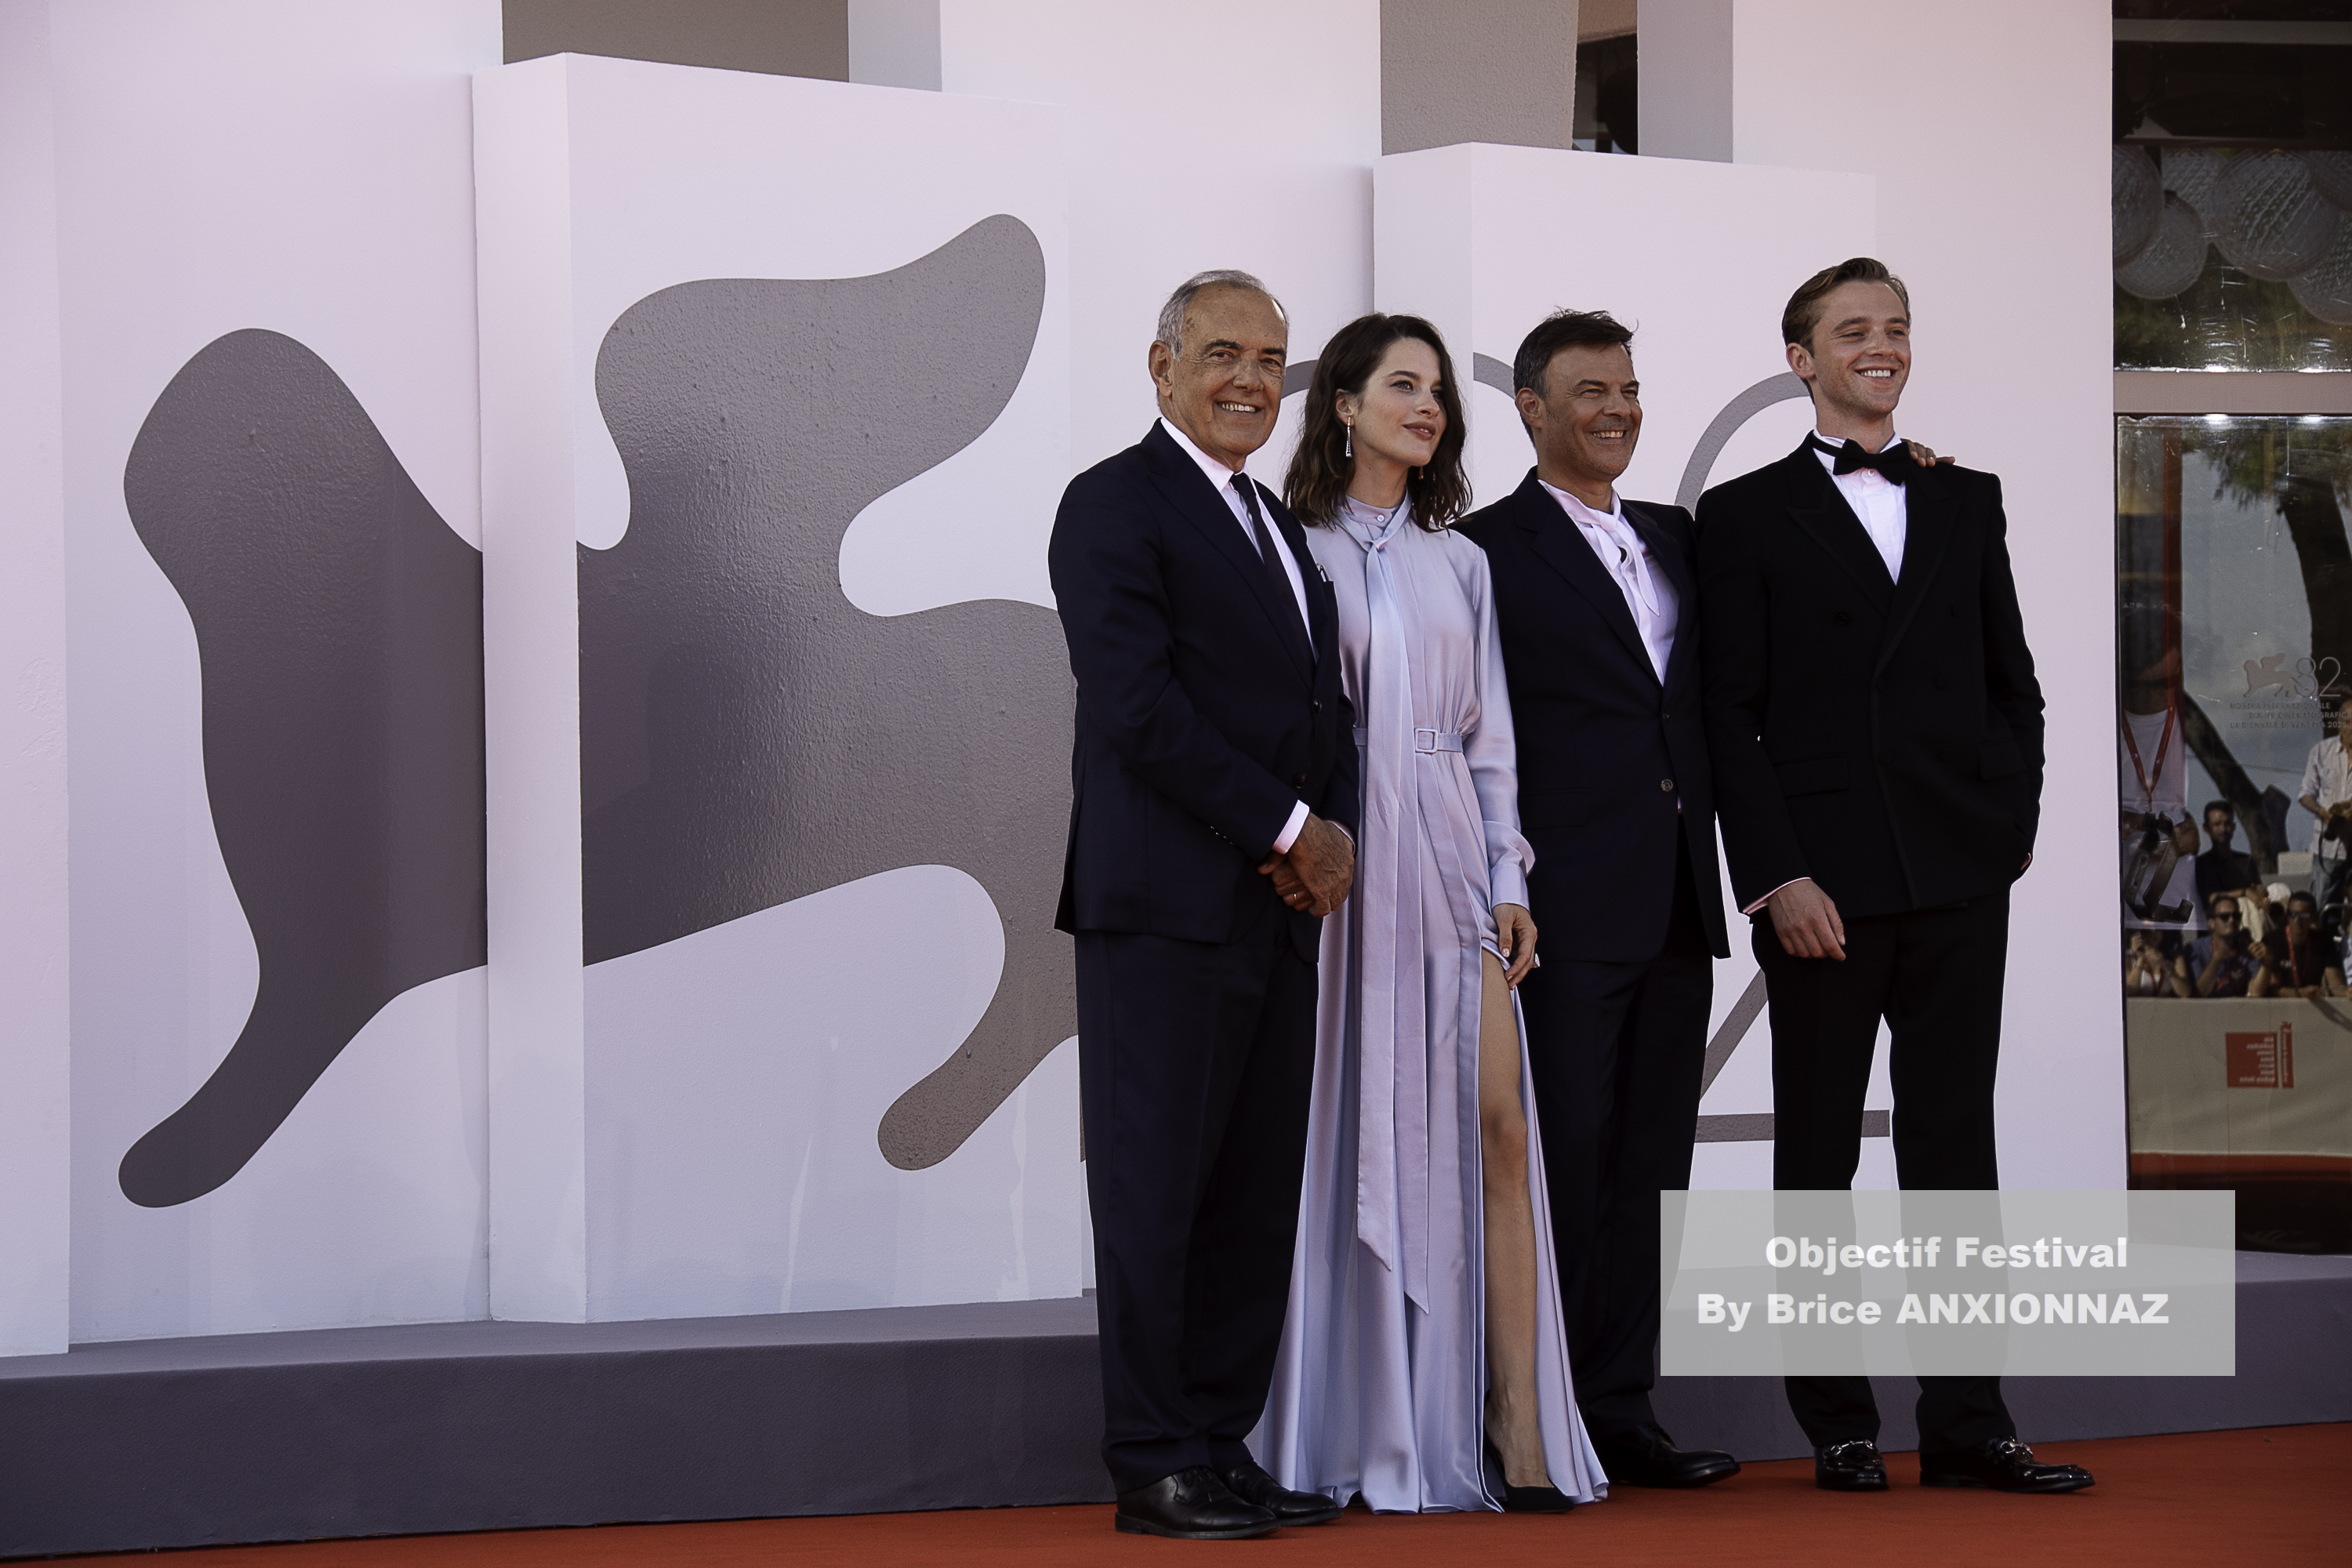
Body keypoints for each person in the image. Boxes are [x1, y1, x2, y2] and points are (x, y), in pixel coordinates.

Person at [1697, 257, 2092, 1496]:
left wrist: (2008, 829)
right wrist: (1777, 876)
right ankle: (1838, 1425)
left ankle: (1970, 1423)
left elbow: (2013, 683)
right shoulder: (1742, 515)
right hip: (1824, 886)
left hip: (1959, 873)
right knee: (1816, 1156)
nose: (1883, 346)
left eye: (1898, 328)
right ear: (1801, 359)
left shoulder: (1966, 495)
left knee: (1956, 1151)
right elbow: (1727, 715)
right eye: (1855, 330)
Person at [1254, 314, 1604, 1515]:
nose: (1428, 406)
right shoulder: (1293, 550)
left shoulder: (1462, 563)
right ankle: (1351, 1419)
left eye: (1440, 391)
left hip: (1454, 860)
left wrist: (1511, 882)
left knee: (1500, 1129)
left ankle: (1517, 1431)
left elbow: (1491, 741)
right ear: (1345, 406)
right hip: (1345, 871)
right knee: (1344, 1137)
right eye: (1402, 384)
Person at [1048, 269, 1360, 1541]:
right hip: (1162, 908)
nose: (1250, 380)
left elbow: (1318, 708)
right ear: (1163, 364)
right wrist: (1293, 830)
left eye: (1271, 360)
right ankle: (1153, 1459)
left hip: (1275, 912)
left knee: (1250, 1192)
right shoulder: (1112, 503)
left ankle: (1222, 1444)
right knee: (1155, 1193)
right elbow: (1139, 707)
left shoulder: (1276, 523)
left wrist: (1329, 834)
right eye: (1224, 352)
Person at [1453, 310, 1740, 1490]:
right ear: (1531, 407)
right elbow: (1472, 733)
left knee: (1653, 1170)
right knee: (1562, 1163)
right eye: (1590, 391)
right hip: (1558, 908)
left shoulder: (1679, 533)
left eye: (1627, 388)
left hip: (1677, 898)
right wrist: (1499, 880)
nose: (1617, 409)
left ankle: (1624, 1409)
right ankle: (1536, 1415)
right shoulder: (1483, 550)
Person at [2298, 691, 2352, 928]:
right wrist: (2324, 813)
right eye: (2348, 721)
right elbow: (2305, 794)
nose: (2351, 727)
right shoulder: (2321, 751)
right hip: (2329, 849)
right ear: (2339, 723)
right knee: (2320, 912)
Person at [2188, 895, 2259, 997]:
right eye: (2225, 917)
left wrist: (2267, 963)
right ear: (2211, 923)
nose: (2232, 920)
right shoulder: (2195, 949)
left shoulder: (2247, 950)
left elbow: (2255, 993)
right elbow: (2200, 993)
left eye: (2236, 916)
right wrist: (2216, 960)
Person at [2194, 800, 2259, 912]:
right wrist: (2244, 892)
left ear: (2233, 827)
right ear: (2206, 828)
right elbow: (2209, 899)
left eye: (2227, 823)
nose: (2223, 829)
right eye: (2217, 824)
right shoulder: (2201, 864)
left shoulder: (2246, 862)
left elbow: (2255, 891)